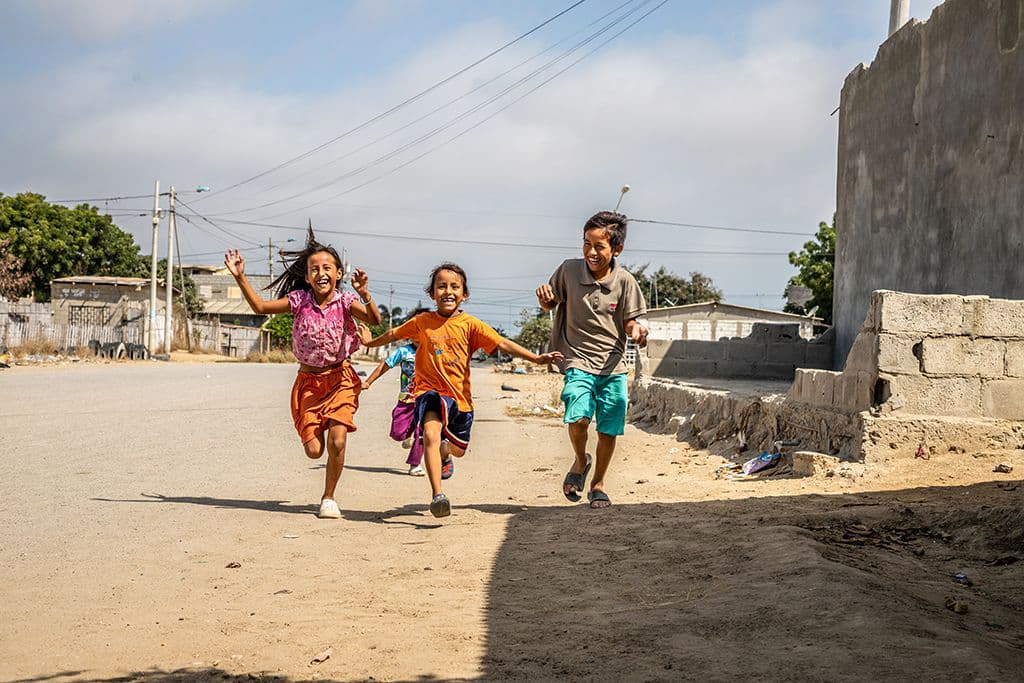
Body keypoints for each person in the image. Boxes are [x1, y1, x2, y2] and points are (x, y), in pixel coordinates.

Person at [360, 262, 562, 518]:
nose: (448, 291)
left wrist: (535, 359)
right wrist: (369, 342)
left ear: (464, 294)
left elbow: (501, 342)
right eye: (441, 286)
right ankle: (438, 495)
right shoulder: (422, 322)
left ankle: (447, 453)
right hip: (428, 393)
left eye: (455, 287)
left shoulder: (470, 325)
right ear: (432, 294)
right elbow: (392, 333)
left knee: (458, 449)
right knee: (431, 436)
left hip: (460, 401)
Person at [223, 228, 381, 519]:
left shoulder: (346, 302)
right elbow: (259, 306)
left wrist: (365, 293)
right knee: (313, 451)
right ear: (307, 277)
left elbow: (374, 319)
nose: (321, 273)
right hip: (309, 384)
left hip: (341, 379)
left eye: (327, 268)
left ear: (338, 273)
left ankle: (329, 497)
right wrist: (239, 277)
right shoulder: (299, 301)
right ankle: (316, 424)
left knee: (338, 440)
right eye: (314, 269)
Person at [535, 211, 648, 509]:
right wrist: (544, 297)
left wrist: (637, 330)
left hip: (612, 366)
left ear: (616, 250)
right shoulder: (569, 271)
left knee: (608, 428)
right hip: (576, 359)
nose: (591, 252)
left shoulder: (625, 282)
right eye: (586, 244)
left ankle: (598, 483)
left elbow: (630, 322)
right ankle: (579, 460)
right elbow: (551, 301)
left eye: (599, 246)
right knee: (579, 416)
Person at [361, 315, 427, 476]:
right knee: (398, 433)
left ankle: (415, 464)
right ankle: (407, 435)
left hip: (426, 400)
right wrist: (368, 382)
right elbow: (385, 365)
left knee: (423, 431)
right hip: (406, 400)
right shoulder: (403, 352)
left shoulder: (432, 352)